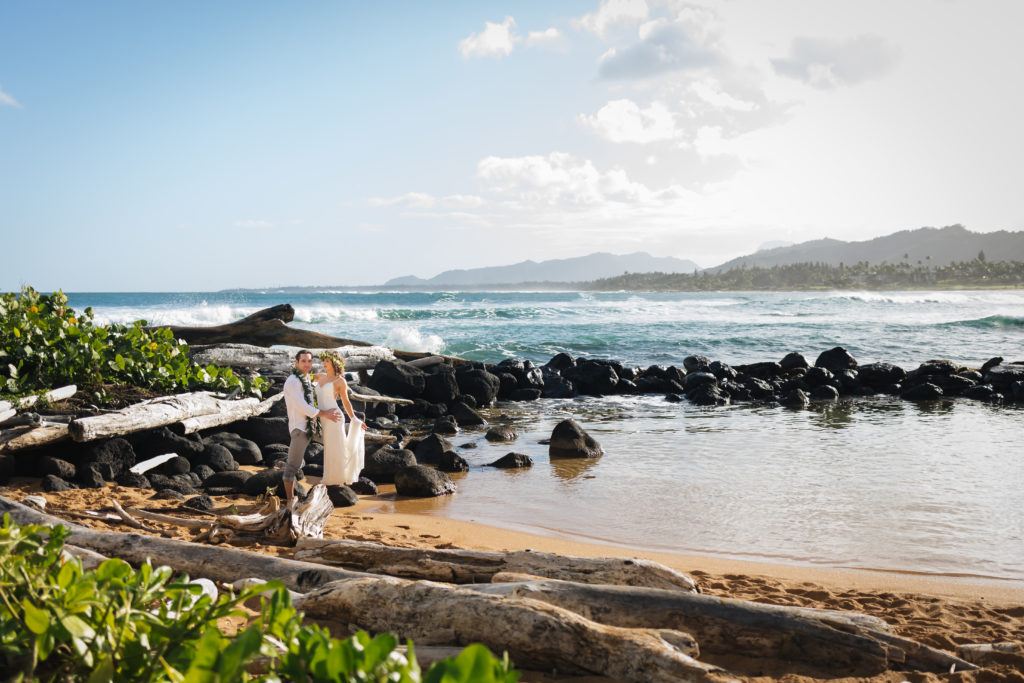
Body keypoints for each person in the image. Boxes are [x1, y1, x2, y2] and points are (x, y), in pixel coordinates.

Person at [282, 349, 342, 505]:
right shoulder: (293, 381)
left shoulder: (307, 378)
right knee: (293, 465)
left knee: (335, 442)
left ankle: (335, 478)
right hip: (300, 429)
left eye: (309, 361)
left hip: (313, 426)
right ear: (296, 363)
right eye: (303, 361)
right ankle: (289, 500)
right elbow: (302, 406)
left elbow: (317, 390)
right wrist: (325, 414)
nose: (307, 364)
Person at [315, 350, 367, 486]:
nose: (324, 363)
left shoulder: (340, 381)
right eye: (324, 361)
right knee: (328, 448)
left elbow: (346, 402)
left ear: (334, 363)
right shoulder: (319, 376)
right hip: (323, 417)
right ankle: (331, 478)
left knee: (335, 448)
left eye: (327, 361)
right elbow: (303, 377)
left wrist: (354, 419)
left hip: (334, 418)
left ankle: (334, 480)